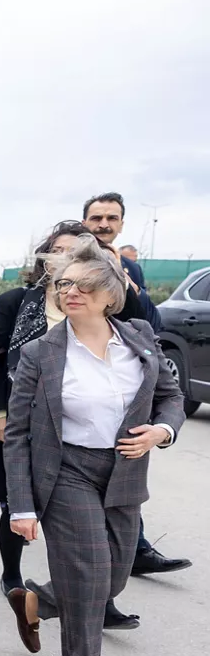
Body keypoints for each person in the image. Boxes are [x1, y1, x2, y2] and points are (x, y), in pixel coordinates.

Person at [2, 234, 183, 656]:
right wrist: (22, 505)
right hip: (68, 474)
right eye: (63, 285)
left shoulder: (141, 336)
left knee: (113, 579)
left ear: (109, 295)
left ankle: (35, 601)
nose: (71, 293)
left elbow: (171, 397)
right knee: (89, 579)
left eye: (83, 285)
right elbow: (17, 433)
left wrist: (162, 431)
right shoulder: (41, 353)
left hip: (125, 471)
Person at [0, 222, 152, 620]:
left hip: (82, 427)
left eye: (78, 252)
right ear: (47, 257)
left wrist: (123, 278)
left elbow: (146, 335)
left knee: (94, 523)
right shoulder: (19, 300)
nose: (69, 260)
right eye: (60, 251)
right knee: (16, 504)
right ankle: (13, 576)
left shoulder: (104, 299)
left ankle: (89, 600)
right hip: (22, 418)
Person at [81, 193, 188, 575]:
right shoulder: (71, 264)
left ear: (122, 224)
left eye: (112, 218)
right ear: (84, 222)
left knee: (126, 466)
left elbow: (149, 322)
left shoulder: (129, 268)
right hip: (80, 379)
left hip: (123, 381)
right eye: (97, 217)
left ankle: (133, 548)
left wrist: (123, 277)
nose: (104, 224)